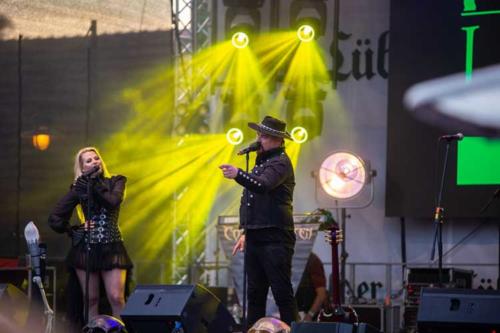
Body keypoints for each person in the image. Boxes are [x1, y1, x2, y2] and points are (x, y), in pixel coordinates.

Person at [219, 116, 299, 327]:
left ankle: (294, 329)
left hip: (275, 237)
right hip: (256, 235)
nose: (259, 139)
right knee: (255, 293)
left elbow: (262, 185)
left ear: (277, 140)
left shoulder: (281, 162)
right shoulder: (261, 162)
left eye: (263, 135)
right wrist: (246, 231)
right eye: (259, 134)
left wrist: (238, 174)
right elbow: (253, 200)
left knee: (281, 292)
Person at [48, 147, 133, 326]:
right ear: (82, 168)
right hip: (86, 248)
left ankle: (121, 331)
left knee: (117, 297)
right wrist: (75, 229)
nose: (95, 162)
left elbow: (112, 202)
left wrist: (93, 184)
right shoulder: (79, 188)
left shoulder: (116, 181)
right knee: (91, 300)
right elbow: (55, 217)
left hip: (112, 246)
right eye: (89, 161)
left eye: (96, 158)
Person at [295, 252, 328, 321]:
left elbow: (321, 294)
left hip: (307, 312)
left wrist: (310, 315)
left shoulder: (312, 261)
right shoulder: (284, 258)